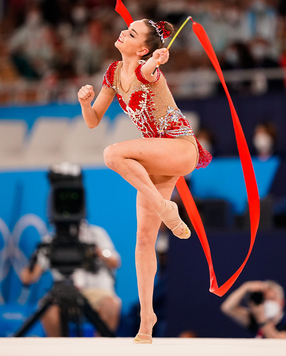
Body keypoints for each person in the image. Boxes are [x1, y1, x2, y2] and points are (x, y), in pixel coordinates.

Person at [77, 18, 212, 343]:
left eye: (133, 33)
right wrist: (84, 101)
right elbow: (94, 121)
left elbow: (149, 70)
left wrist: (155, 60)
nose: (124, 30)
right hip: (157, 156)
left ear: (142, 48)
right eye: (127, 27)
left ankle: (166, 207)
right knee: (143, 239)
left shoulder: (145, 69)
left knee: (113, 154)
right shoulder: (112, 73)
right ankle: (147, 318)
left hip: (181, 148)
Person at [20, 219, 121, 336]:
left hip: (96, 291)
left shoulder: (96, 234)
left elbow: (115, 262)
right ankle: (59, 350)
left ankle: (101, 350)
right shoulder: (51, 240)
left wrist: (100, 253)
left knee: (112, 304)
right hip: (62, 291)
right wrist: (30, 268)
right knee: (47, 308)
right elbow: (30, 276)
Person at [220, 280, 286, 339]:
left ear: (282, 302)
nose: (268, 303)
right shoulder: (255, 318)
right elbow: (227, 308)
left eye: (272, 299)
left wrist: (262, 318)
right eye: (265, 300)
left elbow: (278, 342)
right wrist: (246, 287)